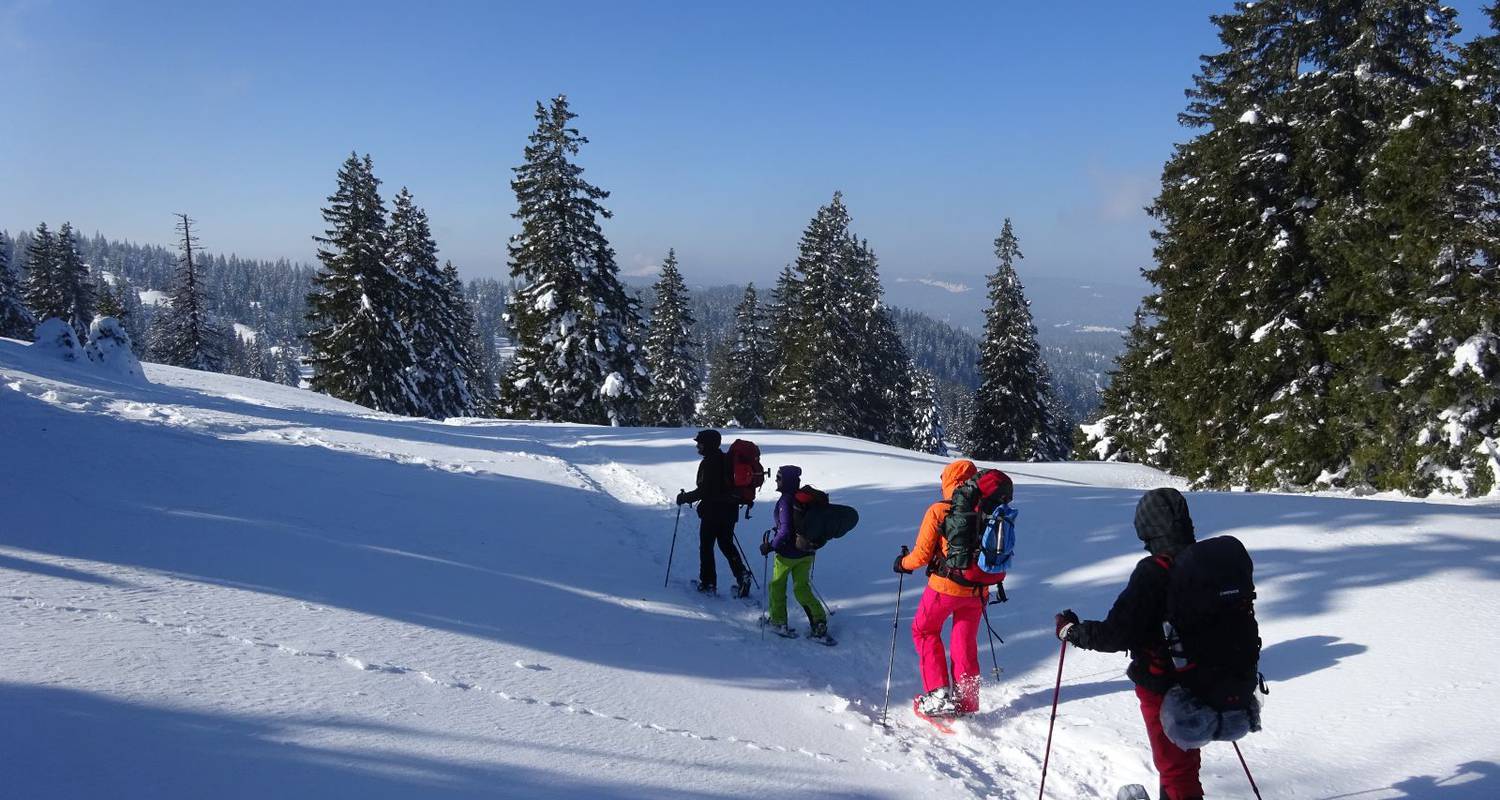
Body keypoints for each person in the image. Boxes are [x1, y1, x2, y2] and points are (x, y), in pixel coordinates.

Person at [1054, 487, 1203, 800]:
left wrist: (1073, 631)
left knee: (1176, 767)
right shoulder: (1206, 562)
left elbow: (1117, 634)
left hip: (1163, 685)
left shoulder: (1153, 572)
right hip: (1207, 677)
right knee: (1182, 761)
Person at [893, 458, 990, 718]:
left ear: (948, 481)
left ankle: (937, 695)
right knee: (965, 642)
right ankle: (968, 702)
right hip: (978, 589)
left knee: (924, 631)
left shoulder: (939, 510)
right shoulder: (988, 509)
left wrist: (903, 563)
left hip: (945, 587)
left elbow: (922, 556)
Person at [676, 429, 752, 597]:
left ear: (708, 444)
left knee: (707, 547)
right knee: (726, 544)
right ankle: (742, 575)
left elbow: (704, 491)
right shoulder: (727, 459)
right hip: (730, 511)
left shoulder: (709, 462)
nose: (698, 446)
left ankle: (708, 583)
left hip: (712, 512)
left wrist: (684, 497)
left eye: (700, 443)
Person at [757, 465, 829, 639]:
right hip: (806, 552)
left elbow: (785, 530)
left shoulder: (785, 501)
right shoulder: (804, 498)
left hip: (786, 554)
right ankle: (819, 622)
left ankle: (778, 621)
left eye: (779, 478)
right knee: (801, 588)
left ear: (786, 481)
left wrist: (771, 546)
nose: (776, 480)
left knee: (777, 586)